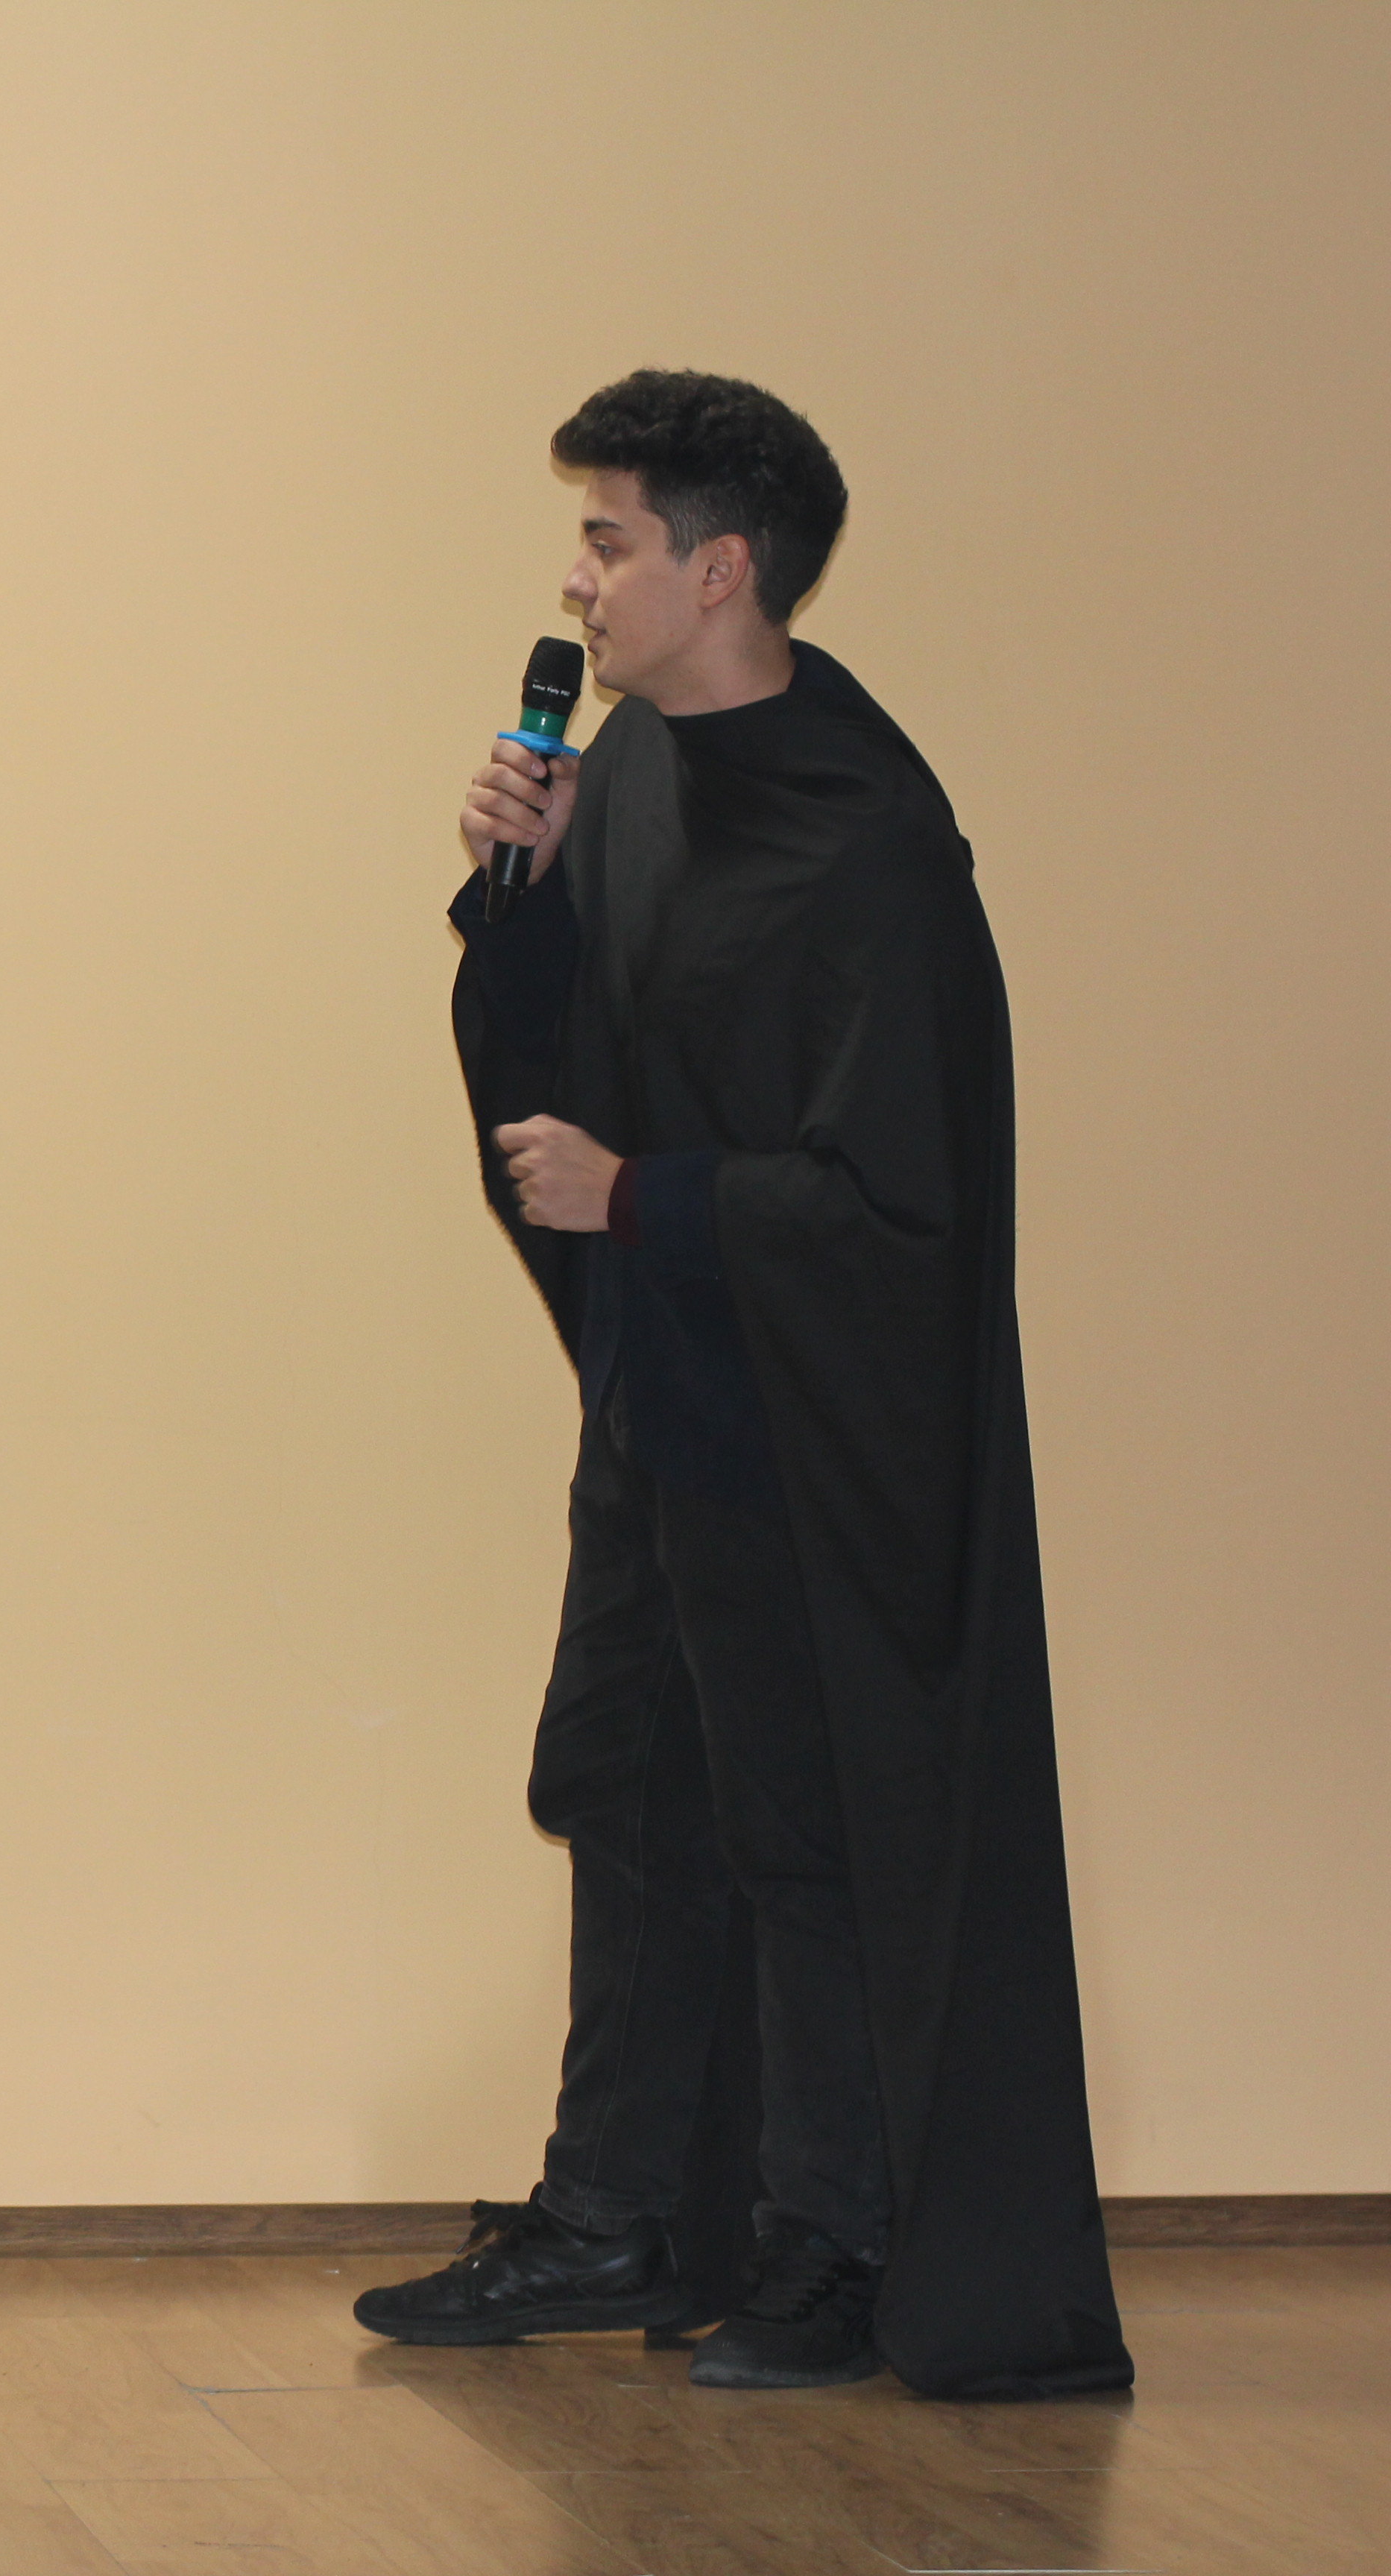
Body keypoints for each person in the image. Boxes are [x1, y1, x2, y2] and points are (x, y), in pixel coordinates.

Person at [353, 375, 1134, 2397]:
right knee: (623, 1786)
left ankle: (834, 2252)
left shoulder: (868, 843)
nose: (579, 578)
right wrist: (522, 893)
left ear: (718, 571)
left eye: (607, 538)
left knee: (803, 1835)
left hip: (817, 1444)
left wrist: (650, 1196)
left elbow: (901, 1204)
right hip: (667, 1400)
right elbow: (571, 1063)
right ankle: (613, 2216)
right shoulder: (626, 776)